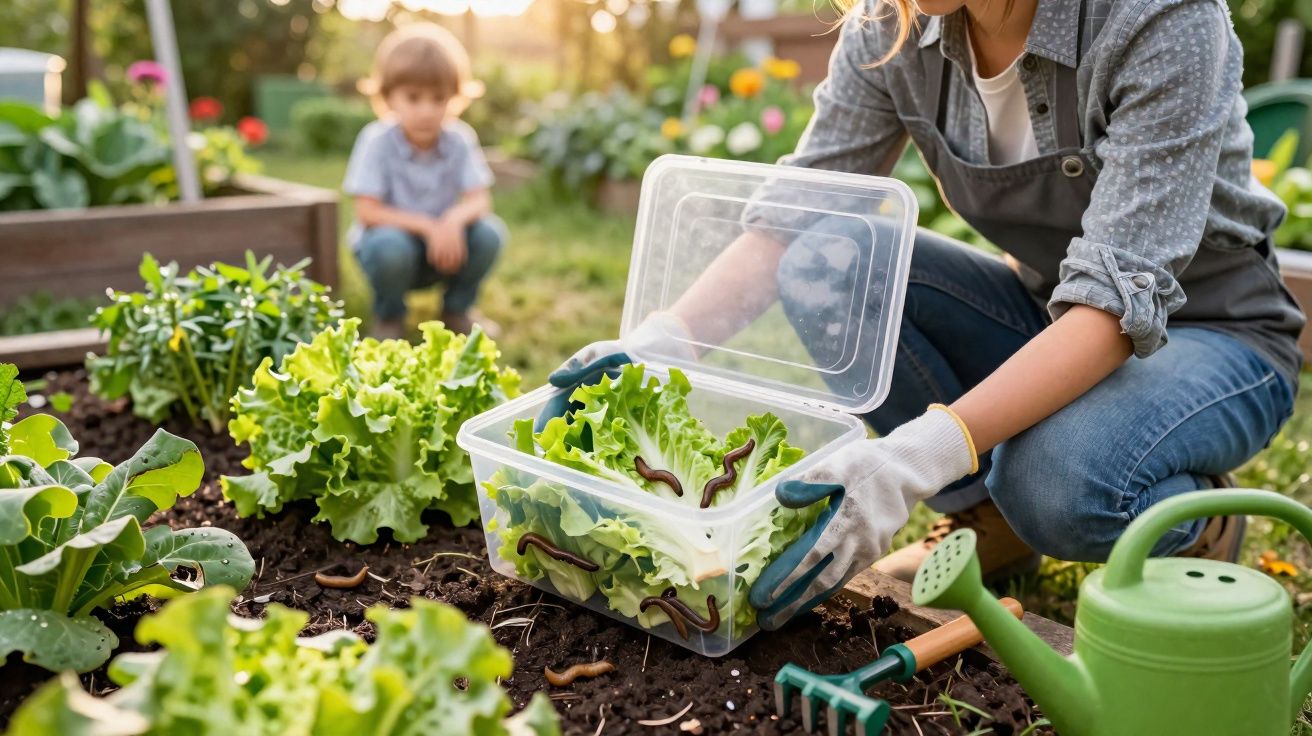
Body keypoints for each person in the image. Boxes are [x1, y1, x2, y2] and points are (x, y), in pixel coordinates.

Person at [550, 0, 1304, 630]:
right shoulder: (893, 24)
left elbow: (1114, 303)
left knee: (1053, 479)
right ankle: (989, 521)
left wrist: (912, 459)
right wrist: (664, 343)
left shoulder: (1159, 18)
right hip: (1049, 314)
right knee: (828, 259)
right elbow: (796, 215)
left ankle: (1197, 520)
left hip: (1215, 331)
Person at [344, 23, 504, 339]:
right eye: (413, 98)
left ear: (455, 97)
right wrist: (429, 227)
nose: (427, 111)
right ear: (389, 96)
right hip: (391, 252)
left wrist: (453, 221)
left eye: (438, 98)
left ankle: (457, 309)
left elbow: (480, 200)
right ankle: (389, 316)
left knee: (489, 234)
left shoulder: (460, 139)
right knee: (390, 246)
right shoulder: (376, 140)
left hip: (443, 250)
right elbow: (367, 212)